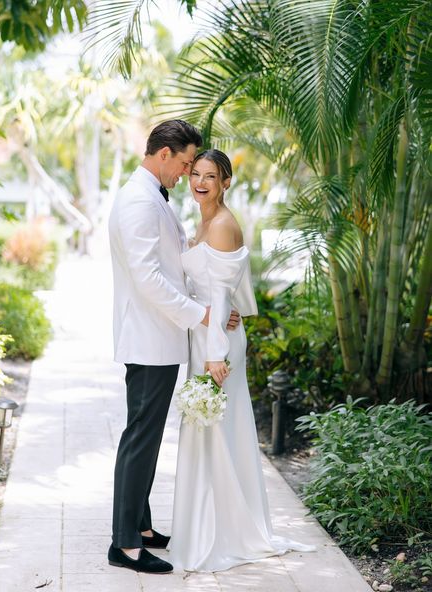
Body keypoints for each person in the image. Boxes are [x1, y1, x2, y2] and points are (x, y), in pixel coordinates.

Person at [169, 149, 315, 572]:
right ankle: (203, 527)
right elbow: (219, 291)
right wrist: (218, 313)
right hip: (208, 332)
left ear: (226, 182)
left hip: (217, 346)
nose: (200, 182)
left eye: (210, 176)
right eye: (195, 173)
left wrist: (215, 353)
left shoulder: (223, 225)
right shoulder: (205, 219)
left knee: (216, 430)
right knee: (207, 431)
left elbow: (219, 292)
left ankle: (221, 534)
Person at [107, 122, 239, 574]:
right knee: (139, 440)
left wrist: (212, 305)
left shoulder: (151, 197)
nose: (188, 174)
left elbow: (176, 264)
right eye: (186, 163)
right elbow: (149, 279)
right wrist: (202, 315)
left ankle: (141, 528)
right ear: (164, 154)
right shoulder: (139, 201)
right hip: (148, 340)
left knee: (144, 437)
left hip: (160, 338)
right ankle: (124, 545)